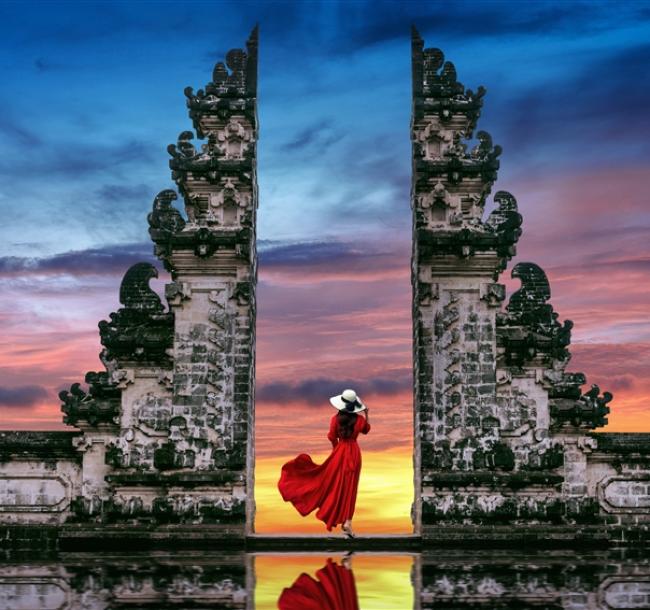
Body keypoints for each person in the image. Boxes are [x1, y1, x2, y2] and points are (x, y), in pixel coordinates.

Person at [277, 388, 371, 537]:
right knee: (350, 488)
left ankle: (345, 521)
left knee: (335, 485)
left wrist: (335, 452)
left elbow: (332, 437)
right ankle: (347, 522)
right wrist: (366, 413)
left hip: (339, 453)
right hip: (354, 453)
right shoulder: (359, 420)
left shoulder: (335, 419)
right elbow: (366, 429)